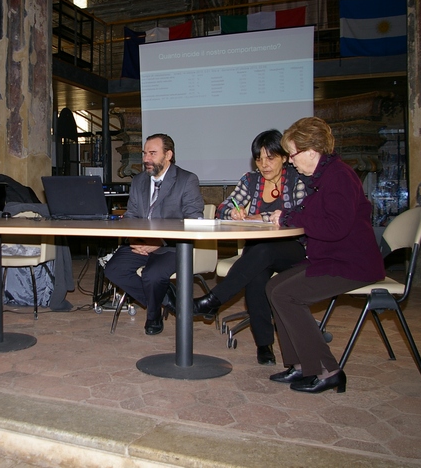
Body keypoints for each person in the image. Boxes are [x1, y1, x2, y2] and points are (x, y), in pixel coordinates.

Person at [266, 117, 384, 394]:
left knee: (287, 295)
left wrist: (291, 218)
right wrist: (291, 217)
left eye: (292, 154)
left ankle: (327, 370)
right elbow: (316, 216)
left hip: (352, 264)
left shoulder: (339, 177)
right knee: (273, 287)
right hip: (334, 257)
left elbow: (334, 228)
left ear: (311, 151)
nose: (291, 161)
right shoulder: (324, 177)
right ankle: (299, 365)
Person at [192, 130, 307, 365]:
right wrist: (233, 211)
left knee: (264, 251)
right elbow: (223, 207)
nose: (263, 165)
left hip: (293, 249)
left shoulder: (298, 179)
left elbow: (301, 213)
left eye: (270, 158)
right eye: (259, 159)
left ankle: (214, 300)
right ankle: (264, 346)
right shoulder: (250, 180)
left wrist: (259, 217)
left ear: (284, 157)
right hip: (257, 253)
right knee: (256, 276)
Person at [103, 134, 204, 335]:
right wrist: (135, 239)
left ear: (168, 155)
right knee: (114, 270)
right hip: (140, 243)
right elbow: (131, 215)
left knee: (152, 275)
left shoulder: (186, 180)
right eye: (144, 153)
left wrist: (159, 242)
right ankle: (166, 300)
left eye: (152, 153)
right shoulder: (139, 181)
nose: (146, 159)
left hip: (173, 246)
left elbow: (193, 221)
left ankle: (153, 316)